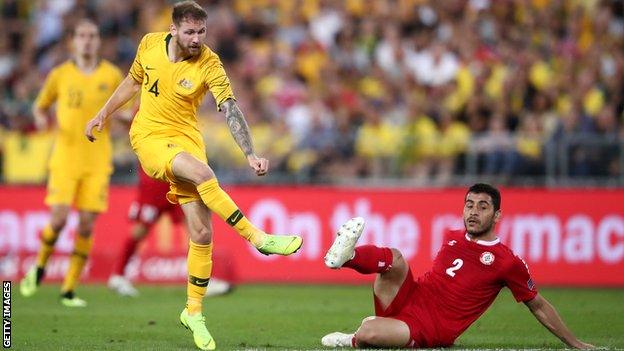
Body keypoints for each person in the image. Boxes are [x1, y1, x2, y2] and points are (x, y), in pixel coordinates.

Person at [84, 1, 302, 349]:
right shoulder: (149, 45)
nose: (197, 38)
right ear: (173, 30)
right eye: (189, 32)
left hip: (187, 140)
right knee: (203, 173)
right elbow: (131, 82)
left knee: (201, 234)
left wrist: (249, 152)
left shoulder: (210, 63)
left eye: (202, 31)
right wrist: (102, 114)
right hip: (150, 139)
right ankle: (258, 238)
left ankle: (193, 313)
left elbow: (230, 108)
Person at [322, 183, 594, 349]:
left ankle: (354, 339)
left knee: (369, 331)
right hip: (412, 298)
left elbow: (539, 305)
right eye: (469, 205)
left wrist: (575, 343)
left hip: (431, 327)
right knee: (396, 258)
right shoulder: (452, 236)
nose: (473, 212)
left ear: (497, 215)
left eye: (483, 207)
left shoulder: (506, 261)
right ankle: (347, 257)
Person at [19, 19, 124, 307]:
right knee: (59, 219)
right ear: (72, 41)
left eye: (92, 35)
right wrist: (41, 118)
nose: (87, 40)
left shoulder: (112, 75)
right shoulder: (60, 75)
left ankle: (68, 289)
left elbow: (125, 110)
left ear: (98, 40)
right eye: (82, 35)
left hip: (98, 161)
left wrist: (126, 118)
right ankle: (39, 267)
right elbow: (40, 106)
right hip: (65, 158)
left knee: (87, 226)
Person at [108, 167, 233, 297]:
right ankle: (118, 275)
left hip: (179, 180)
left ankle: (202, 281)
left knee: (196, 227)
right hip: (155, 180)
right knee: (141, 230)